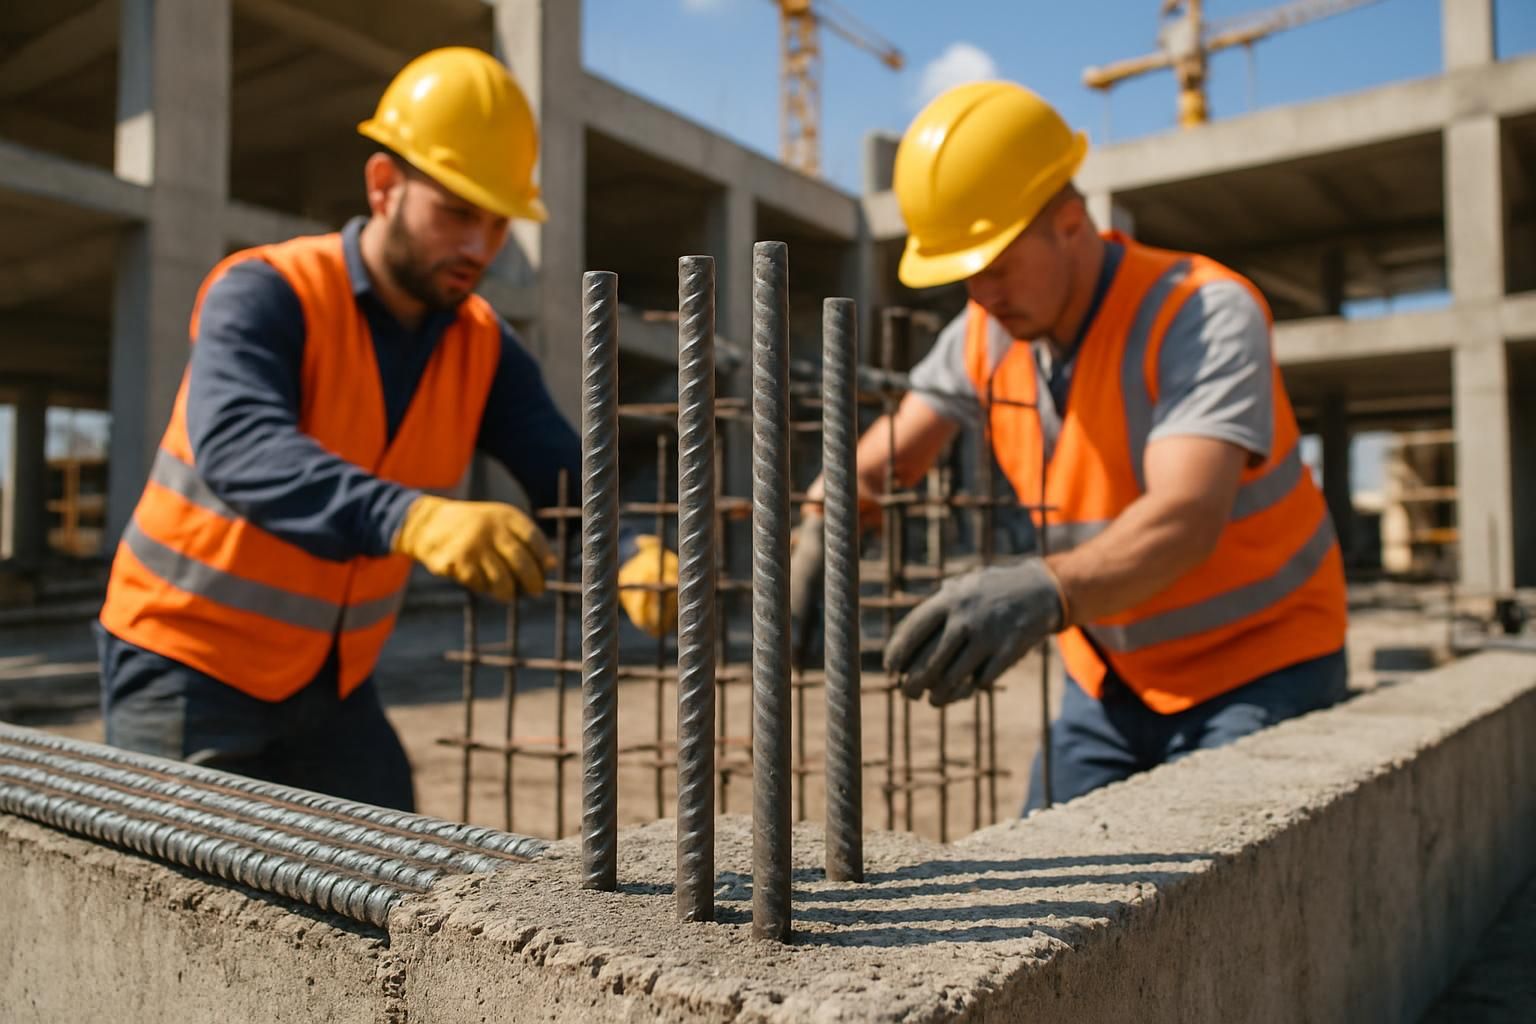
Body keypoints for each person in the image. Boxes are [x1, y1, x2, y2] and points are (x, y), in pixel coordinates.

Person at [96, 47, 677, 812]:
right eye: (457, 213)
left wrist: (628, 547)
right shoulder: (268, 291)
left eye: (498, 222)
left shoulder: (482, 344)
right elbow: (240, 443)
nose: (480, 248)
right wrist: (414, 518)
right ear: (382, 186)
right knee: (181, 881)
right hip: (184, 659)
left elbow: (562, 473)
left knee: (397, 869)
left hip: (333, 681)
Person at [792, 81, 1348, 811]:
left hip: (1260, 666)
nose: (982, 295)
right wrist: (822, 518)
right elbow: (893, 453)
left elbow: (1187, 517)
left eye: (996, 267)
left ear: (1070, 223)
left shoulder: (1198, 311)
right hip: (1109, 675)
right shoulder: (988, 333)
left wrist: (1042, 590)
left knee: (1220, 866)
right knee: (1055, 858)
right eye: (965, 276)